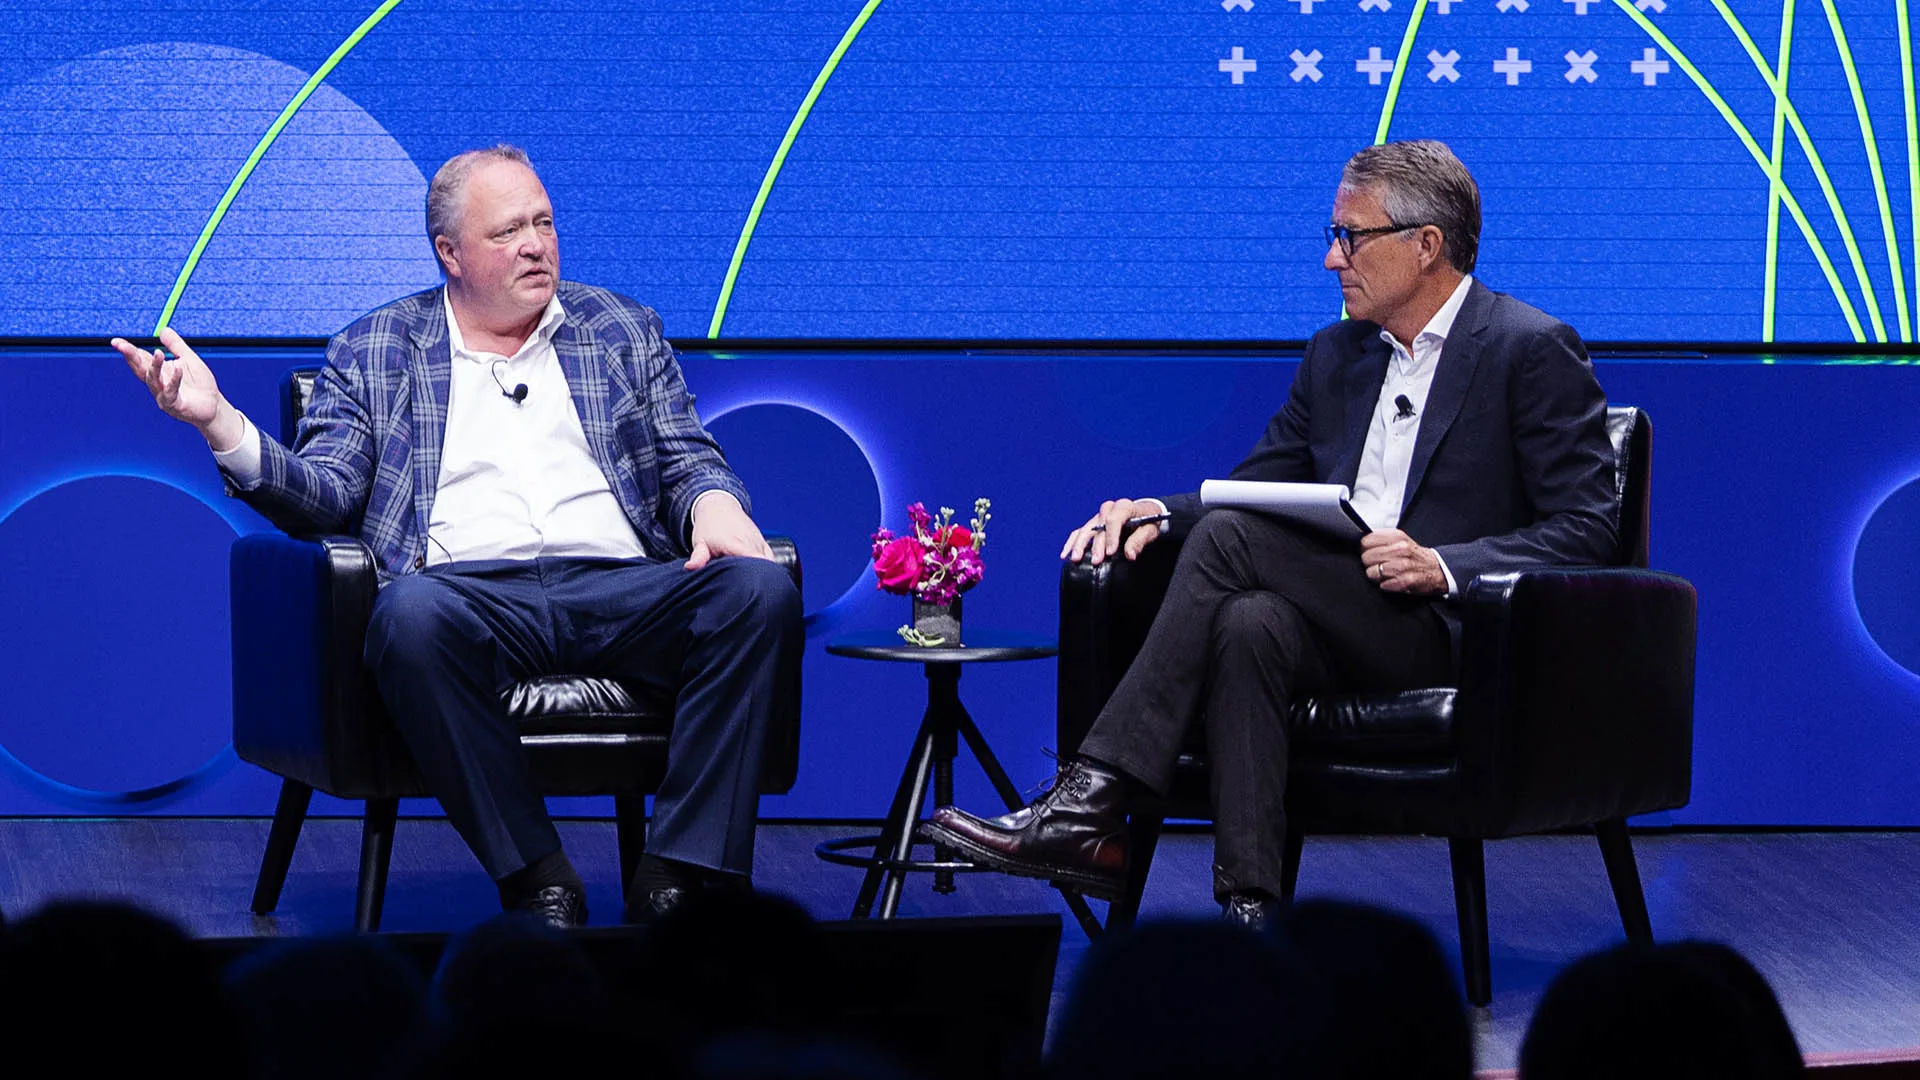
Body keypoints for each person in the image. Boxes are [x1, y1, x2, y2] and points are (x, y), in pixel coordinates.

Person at [925, 139, 1618, 927]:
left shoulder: (1529, 348)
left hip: (1449, 630)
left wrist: (1443, 565)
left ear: (1426, 246)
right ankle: (1250, 912)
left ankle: (1089, 807)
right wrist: (1158, 508)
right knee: (1251, 622)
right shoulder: (1336, 355)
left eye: (1351, 237)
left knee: (1227, 547)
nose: (1332, 259)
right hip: (1338, 619)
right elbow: (1253, 489)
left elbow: (1587, 529)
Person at [112, 145, 802, 928]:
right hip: (464, 595)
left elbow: (686, 455)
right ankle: (536, 876)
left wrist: (712, 501)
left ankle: (678, 877)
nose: (537, 245)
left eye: (544, 223)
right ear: (451, 253)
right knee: (406, 617)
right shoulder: (376, 348)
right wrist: (219, 423)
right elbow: (326, 493)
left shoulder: (621, 328)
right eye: (509, 231)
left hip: (620, 586)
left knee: (757, 588)